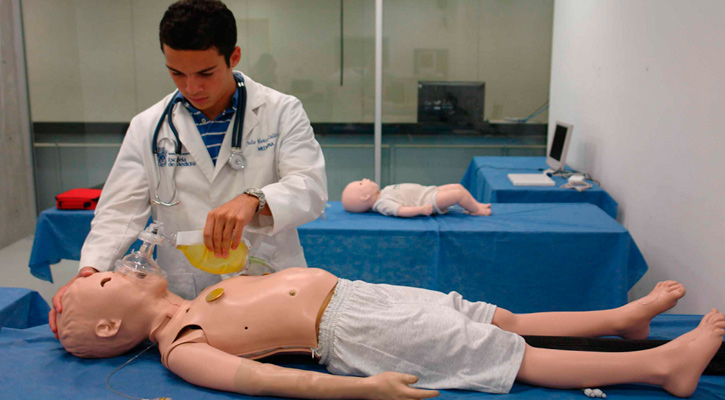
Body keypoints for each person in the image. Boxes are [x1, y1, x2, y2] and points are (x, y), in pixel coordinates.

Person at [47, 0, 329, 337]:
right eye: (176, 73)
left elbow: (310, 186)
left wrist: (255, 199)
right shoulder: (148, 126)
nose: (191, 87)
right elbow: (119, 212)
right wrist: (90, 274)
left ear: (233, 57)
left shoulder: (281, 111)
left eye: (205, 73)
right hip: (184, 294)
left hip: (268, 280)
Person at [57, 267, 724, 399]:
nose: (103, 267)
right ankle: (661, 367)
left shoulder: (201, 292)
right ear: (112, 325)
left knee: (493, 317)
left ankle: (618, 321)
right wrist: (360, 390)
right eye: (101, 282)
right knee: (507, 355)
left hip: (360, 297)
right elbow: (266, 378)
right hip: (356, 333)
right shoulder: (183, 346)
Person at [342, 179, 491, 217]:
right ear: (365, 197)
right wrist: (420, 209)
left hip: (428, 191)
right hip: (429, 200)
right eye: (361, 183)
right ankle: (477, 210)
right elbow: (401, 210)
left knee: (457, 187)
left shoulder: (383, 192)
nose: (365, 179)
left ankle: (477, 205)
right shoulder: (383, 203)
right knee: (458, 195)